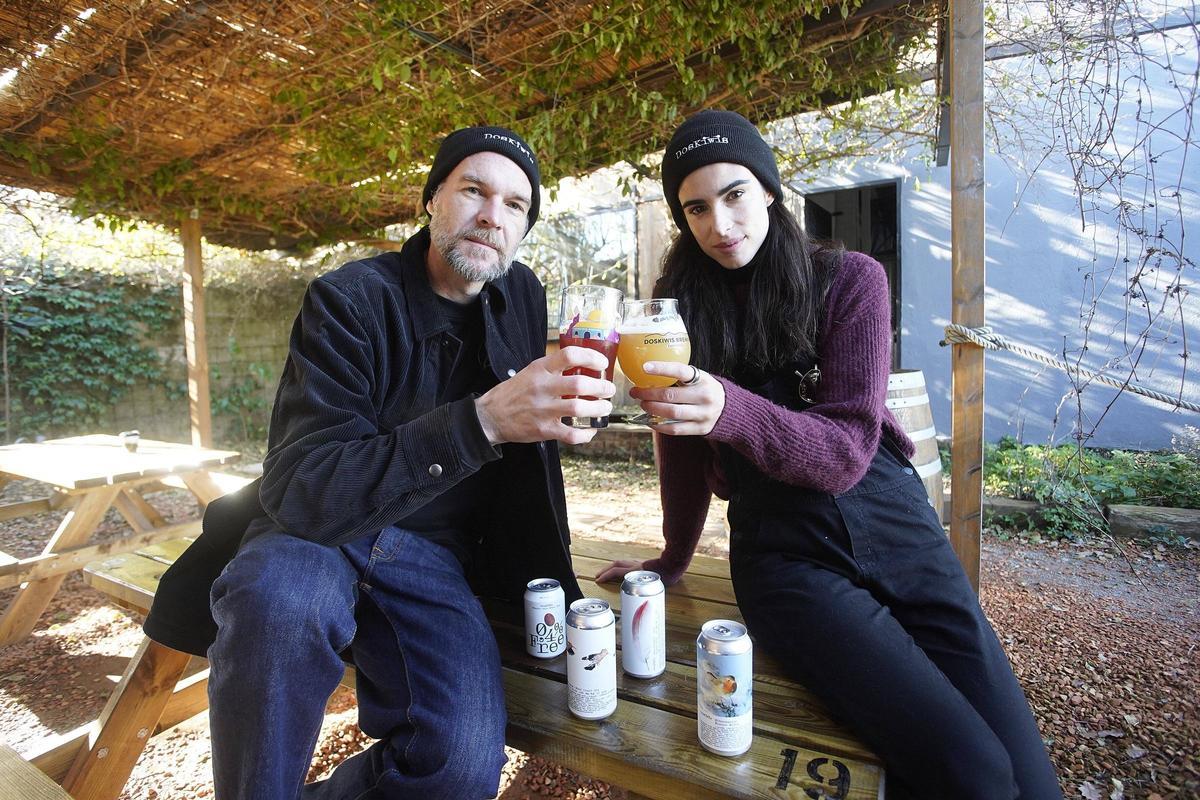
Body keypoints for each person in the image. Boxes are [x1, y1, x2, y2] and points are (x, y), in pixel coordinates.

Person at [596, 110, 1063, 799]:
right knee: (974, 770)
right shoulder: (678, 309)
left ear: (769, 191)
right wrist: (672, 555)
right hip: (784, 555)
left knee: (1031, 778)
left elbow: (846, 452)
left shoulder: (851, 280)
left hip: (893, 521)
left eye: (734, 195)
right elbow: (682, 445)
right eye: (695, 208)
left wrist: (731, 407)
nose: (719, 225)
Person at [146, 126, 616, 800]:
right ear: (431, 202)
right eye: (473, 191)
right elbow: (305, 482)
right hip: (319, 532)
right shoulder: (349, 300)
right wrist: (482, 420)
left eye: (516, 206)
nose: (492, 214)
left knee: (457, 767)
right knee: (277, 601)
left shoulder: (524, 297)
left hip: (439, 558)